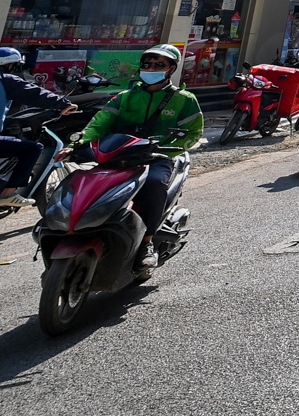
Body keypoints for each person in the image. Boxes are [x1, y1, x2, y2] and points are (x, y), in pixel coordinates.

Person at [73, 45, 203, 265]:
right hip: (119, 155)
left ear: (171, 69)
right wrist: (78, 144)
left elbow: (193, 133)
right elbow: (100, 123)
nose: (151, 68)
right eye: (147, 64)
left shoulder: (185, 99)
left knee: (153, 184)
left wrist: (168, 148)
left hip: (157, 158)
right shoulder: (124, 97)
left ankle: (147, 242)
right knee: (85, 183)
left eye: (158, 65)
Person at [0, 48, 75, 206]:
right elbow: (34, 94)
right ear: (7, 65)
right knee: (33, 149)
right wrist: (63, 104)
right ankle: (8, 194)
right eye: (14, 66)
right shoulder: (5, 81)